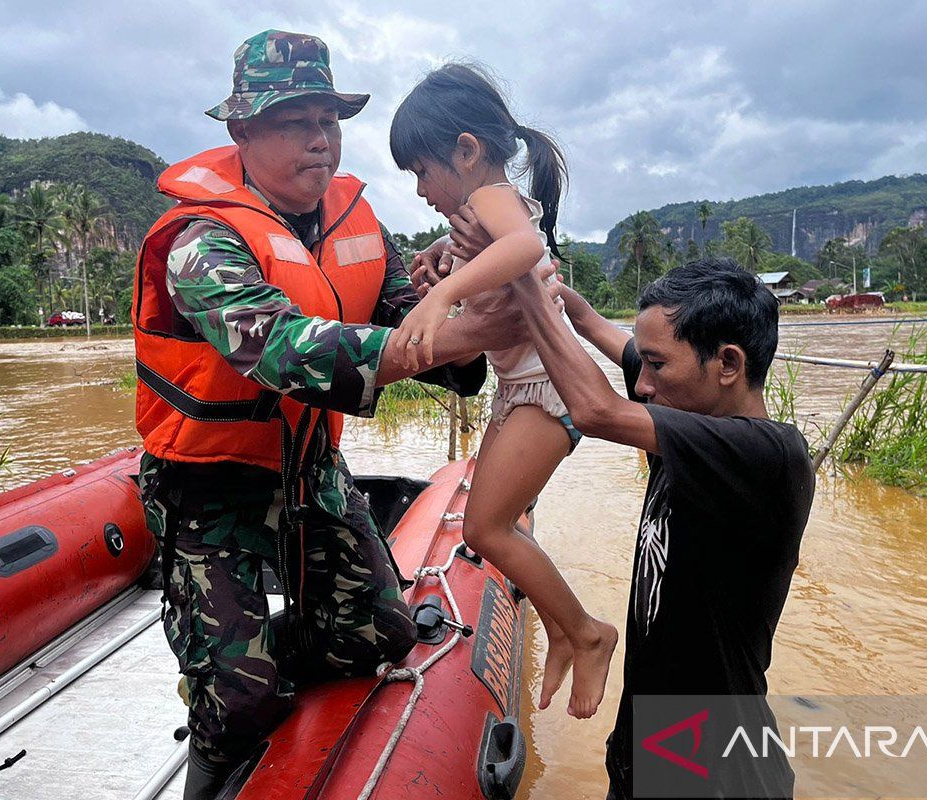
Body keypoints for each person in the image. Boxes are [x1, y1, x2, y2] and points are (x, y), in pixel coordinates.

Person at [131, 31, 546, 800]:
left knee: (378, 634)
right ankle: (224, 687)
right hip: (208, 483)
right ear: (243, 132)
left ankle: (237, 656)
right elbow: (285, 351)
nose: (321, 141)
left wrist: (462, 292)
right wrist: (459, 330)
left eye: (330, 120)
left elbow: (408, 315)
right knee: (239, 703)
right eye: (296, 123)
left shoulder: (356, 223)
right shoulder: (202, 240)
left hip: (308, 470)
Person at [510, 258, 815, 799]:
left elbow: (595, 410)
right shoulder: (684, 400)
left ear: (728, 363)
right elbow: (594, 326)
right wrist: (536, 274)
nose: (642, 384)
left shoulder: (767, 456)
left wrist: (523, 292)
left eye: (656, 365)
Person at [388, 63, 618, 720]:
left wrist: (445, 299)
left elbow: (519, 243)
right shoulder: (478, 210)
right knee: (491, 524)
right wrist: (442, 255)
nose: (420, 188)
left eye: (421, 171)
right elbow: (492, 241)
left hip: (546, 391)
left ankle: (588, 633)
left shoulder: (495, 200)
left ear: (466, 151)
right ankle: (565, 629)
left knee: (488, 527)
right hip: (518, 391)